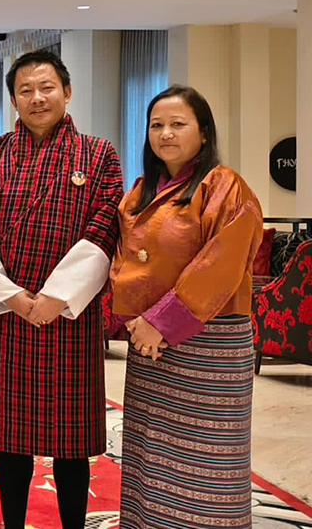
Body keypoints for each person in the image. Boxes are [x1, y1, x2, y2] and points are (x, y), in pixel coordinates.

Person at [0, 50, 123, 529]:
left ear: (67, 92)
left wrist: (57, 297)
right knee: (12, 440)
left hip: (69, 316)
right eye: (26, 90)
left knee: (71, 443)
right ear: (13, 99)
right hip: (10, 313)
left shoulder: (99, 155)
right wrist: (12, 295)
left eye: (47, 87)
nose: (37, 98)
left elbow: (103, 228)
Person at [110, 85, 263, 529]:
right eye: (157, 125)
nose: (166, 134)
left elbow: (222, 263)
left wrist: (162, 323)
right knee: (150, 451)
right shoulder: (141, 190)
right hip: (150, 347)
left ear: (204, 131)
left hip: (208, 344)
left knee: (207, 456)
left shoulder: (225, 186)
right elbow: (125, 257)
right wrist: (136, 325)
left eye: (178, 124)